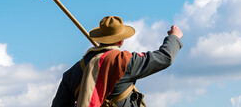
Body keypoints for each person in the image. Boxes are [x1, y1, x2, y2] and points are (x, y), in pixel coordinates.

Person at [51, 16, 183, 107]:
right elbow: (164, 57)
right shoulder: (125, 62)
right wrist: (174, 37)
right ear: (121, 41)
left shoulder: (72, 73)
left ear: (99, 39)